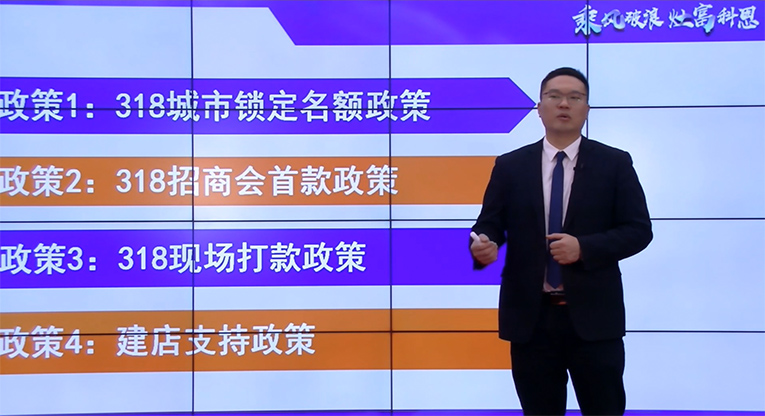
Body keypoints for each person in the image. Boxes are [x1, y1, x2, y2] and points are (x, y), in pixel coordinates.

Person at [470, 67, 652, 415]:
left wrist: (584, 248)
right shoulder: (510, 166)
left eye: (574, 97)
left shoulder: (614, 163)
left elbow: (638, 230)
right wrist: (482, 245)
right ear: (540, 108)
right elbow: (489, 224)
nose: (564, 104)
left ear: (586, 109)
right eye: (554, 96)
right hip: (531, 320)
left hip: (594, 319)